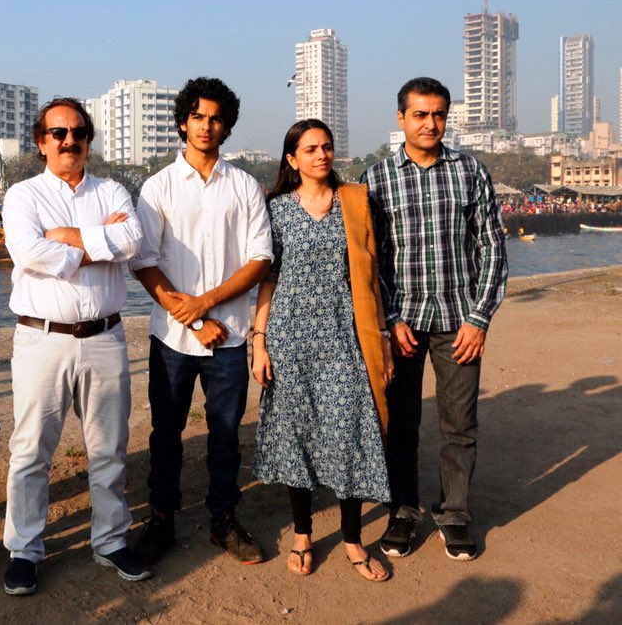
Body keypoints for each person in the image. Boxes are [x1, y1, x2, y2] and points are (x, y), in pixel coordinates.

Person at [1, 98, 148, 595]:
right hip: (43, 337)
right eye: (58, 132)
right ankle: (24, 548)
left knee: (109, 448)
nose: (70, 140)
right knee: (31, 450)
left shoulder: (113, 189)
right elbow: (27, 251)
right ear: (41, 142)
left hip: (105, 336)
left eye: (78, 131)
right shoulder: (22, 195)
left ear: (88, 139)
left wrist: (66, 238)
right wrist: (96, 240)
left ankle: (110, 539)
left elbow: (131, 240)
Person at [363, 77, 507, 561]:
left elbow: (491, 248)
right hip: (404, 323)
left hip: (458, 320)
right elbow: (372, 260)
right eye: (420, 114)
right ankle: (403, 510)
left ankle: (455, 514)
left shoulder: (470, 172)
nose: (430, 123)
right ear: (400, 118)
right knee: (401, 421)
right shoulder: (377, 179)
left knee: (459, 423)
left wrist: (479, 318)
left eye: (439, 114)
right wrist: (392, 319)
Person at [131, 76, 273, 565]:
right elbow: (144, 262)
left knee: (226, 434)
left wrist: (207, 304)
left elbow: (259, 259)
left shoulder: (245, 185)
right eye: (198, 116)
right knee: (165, 433)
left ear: (226, 125)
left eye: (215, 118)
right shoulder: (158, 187)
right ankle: (162, 521)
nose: (206, 125)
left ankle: (224, 521)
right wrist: (190, 319)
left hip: (231, 336)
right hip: (171, 337)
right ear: (182, 122)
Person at [251, 119, 393, 582]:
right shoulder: (275, 210)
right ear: (292, 159)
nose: (321, 155)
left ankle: (352, 540)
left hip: (344, 336)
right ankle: (303, 534)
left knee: (350, 432)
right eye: (310, 149)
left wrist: (382, 337)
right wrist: (260, 340)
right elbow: (268, 278)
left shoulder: (354, 201)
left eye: (327, 147)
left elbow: (373, 274)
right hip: (289, 337)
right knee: (298, 436)